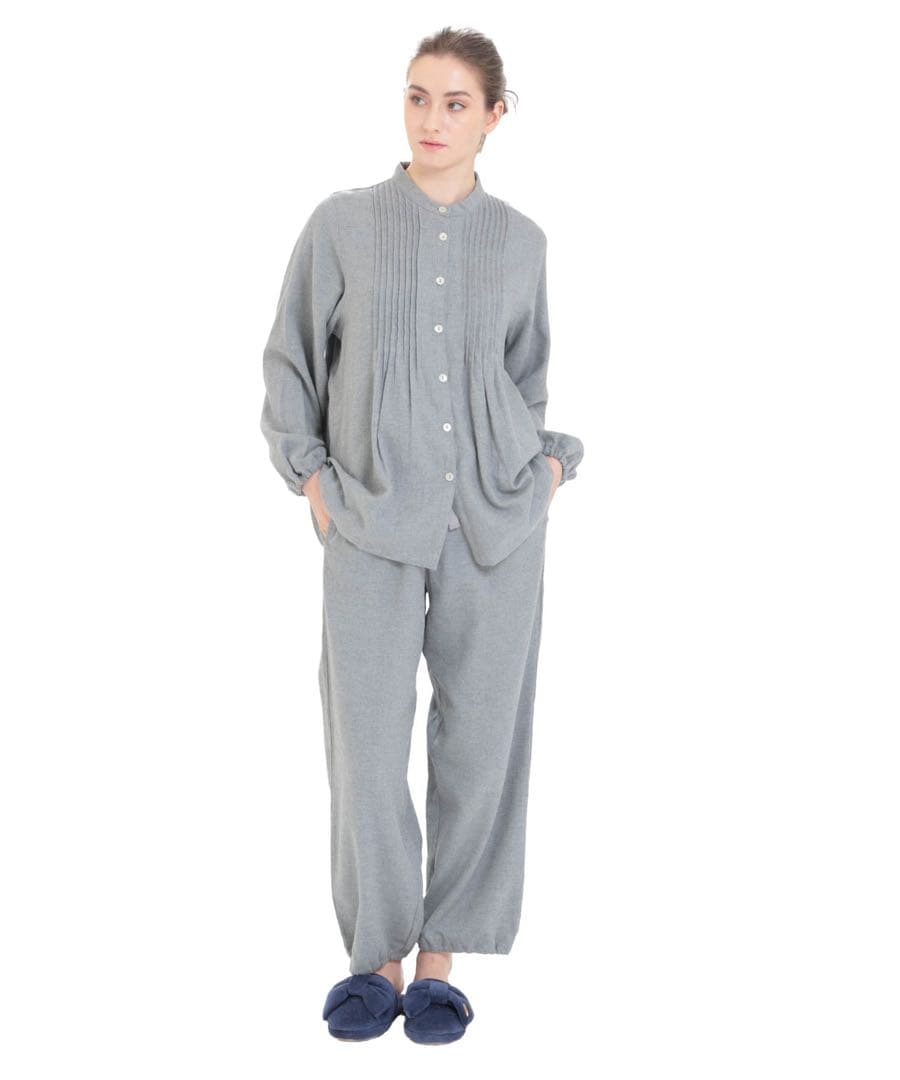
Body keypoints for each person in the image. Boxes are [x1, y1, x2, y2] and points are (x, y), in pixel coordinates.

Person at [259, 27, 584, 1045]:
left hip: (496, 520)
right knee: (363, 740)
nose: (431, 120)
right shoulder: (343, 225)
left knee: (482, 739)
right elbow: (291, 361)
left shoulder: (522, 242)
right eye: (417, 97)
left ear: (495, 116)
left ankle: (443, 959)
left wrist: (540, 472)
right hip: (368, 515)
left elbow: (525, 377)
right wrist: (310, 475)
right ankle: (377, 955)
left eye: (455, 103)